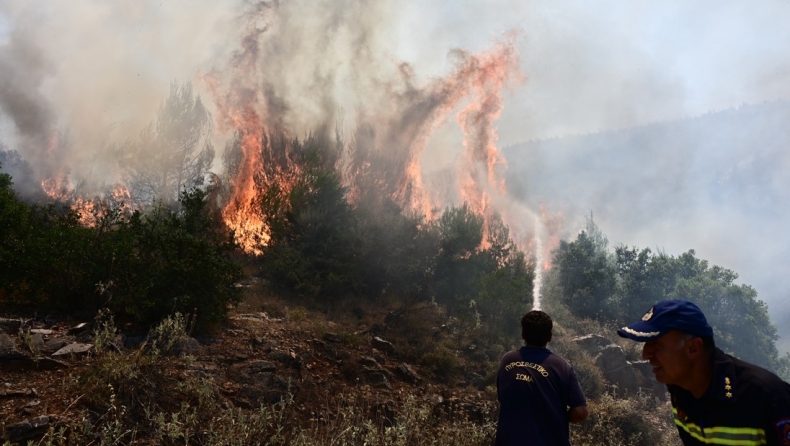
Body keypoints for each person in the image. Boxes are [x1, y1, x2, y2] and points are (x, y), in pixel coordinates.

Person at [617, 299, 790, 446]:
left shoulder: (765, 397)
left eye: (656, 344)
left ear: (693, 348)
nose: (645, 354)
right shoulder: (680, 388)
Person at [495, 310, 588, 446]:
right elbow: (581, 412)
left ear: (523, 334)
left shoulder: (507, 360)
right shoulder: (562, 366)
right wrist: (559, 417)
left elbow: (503, 396)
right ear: (550, 337)